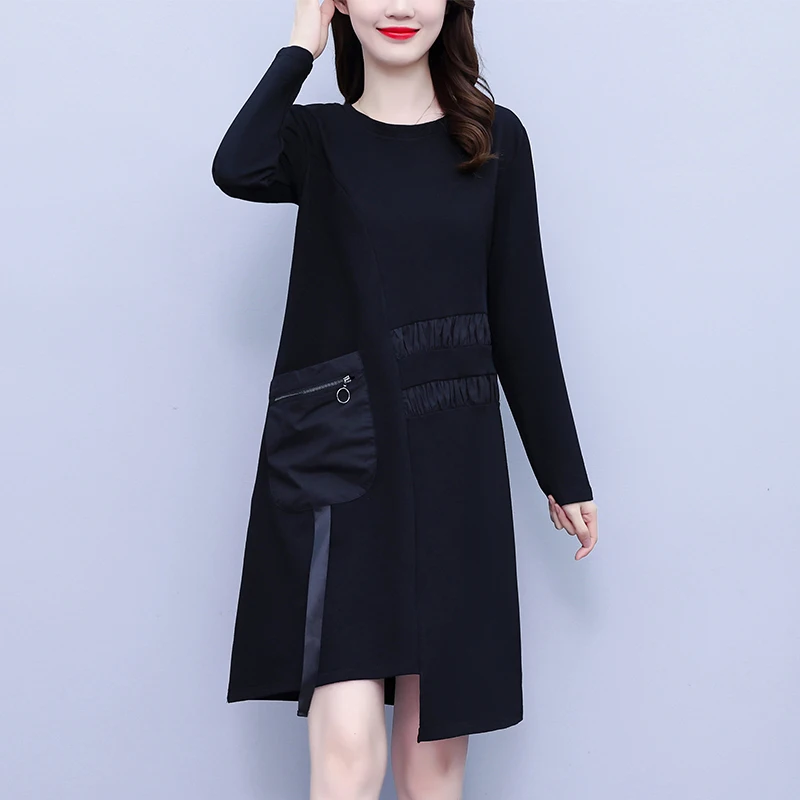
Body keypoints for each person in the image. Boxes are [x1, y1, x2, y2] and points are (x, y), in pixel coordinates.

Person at [211, 0, 599, 797]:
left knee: (433, 763)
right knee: (348, 753)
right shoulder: (316, 139)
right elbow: (237, 165)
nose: (398, 6)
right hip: (341, 459)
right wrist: (302, 41)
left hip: (456, 458)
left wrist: (563, 472)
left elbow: (521, 312)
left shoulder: (494, 137)